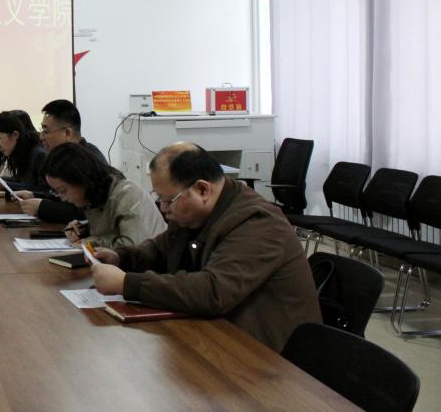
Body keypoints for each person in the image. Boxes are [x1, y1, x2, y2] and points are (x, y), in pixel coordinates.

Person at [88, 142, 321, 352]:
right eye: (160, 199)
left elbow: (213, 291)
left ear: (202, 190)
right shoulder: (192, 214)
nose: (164, 208)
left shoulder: (259, 224)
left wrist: (126, 283)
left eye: (168, 200)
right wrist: (122, 258)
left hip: (268, 356)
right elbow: (161, 250)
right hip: (218, 335)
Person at [14, 99, 106, 222]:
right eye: (41, 130)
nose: (41, 137)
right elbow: (64, 198)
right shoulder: (66, 158)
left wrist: (42, 207)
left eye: (46, 131)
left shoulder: (90, 161)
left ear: (67, 133)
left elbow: (87, 212)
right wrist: (34, 195)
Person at [0, 110, 45, 192]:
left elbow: (46, 191)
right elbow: (21, 181)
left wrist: (6, 185)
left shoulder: (39, 155)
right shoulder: (21, 152)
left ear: (15, 135)